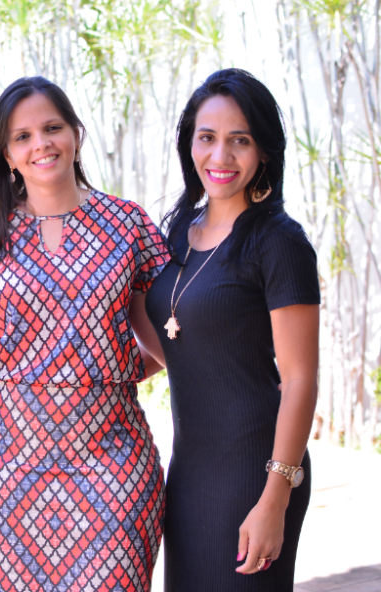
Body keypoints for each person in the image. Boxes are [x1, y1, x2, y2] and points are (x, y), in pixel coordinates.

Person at [0, 76, 168, 592]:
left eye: (52, 128)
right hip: (1, 469)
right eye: (22, 136)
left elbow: (164, 346)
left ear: (76, 134)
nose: (41, 144)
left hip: (113, 461)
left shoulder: (128, 225)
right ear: (7, 154)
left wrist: (104, 373)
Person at [144, 68, 319, 590]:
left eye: (239, 141)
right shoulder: (178, 232)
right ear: (189, 144)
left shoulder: (278, 243)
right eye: (208, 138)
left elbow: (301, 379)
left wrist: (275, 499)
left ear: (264, 150)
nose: (220, 157)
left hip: (254, 470)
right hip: (190, 468)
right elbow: (175, 343)